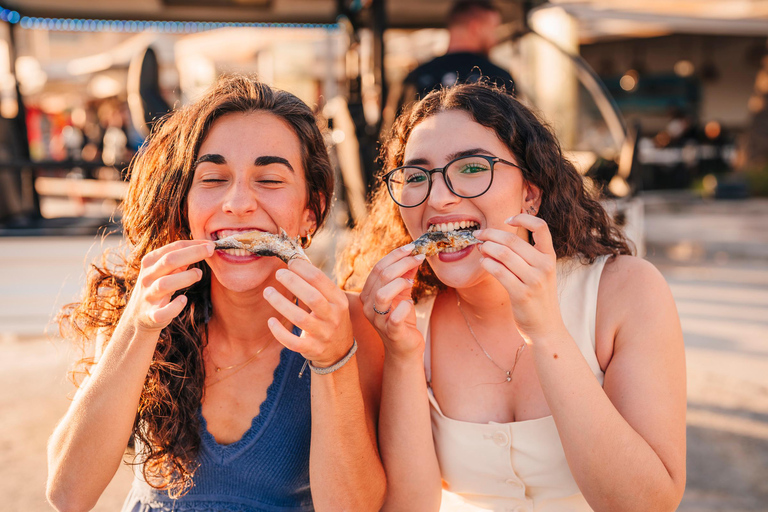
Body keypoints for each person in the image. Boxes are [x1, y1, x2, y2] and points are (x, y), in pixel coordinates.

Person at [338, 82, 686, 511]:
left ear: (530, 194)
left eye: (471, 167)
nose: (439, 198)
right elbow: (410, 506)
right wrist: (402, 354)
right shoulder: (401, 317)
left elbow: (647, 505)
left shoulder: (626, 291)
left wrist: (547, 332)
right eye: (415, 176)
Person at [47, 75, 385, 512]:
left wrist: (331, 361)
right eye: (213, 178)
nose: (238, 203)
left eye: (270, 179)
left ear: (311, 210)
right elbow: (68, 494)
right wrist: (137, 326)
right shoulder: (145, 306)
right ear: (185, 204)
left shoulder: (353, 326)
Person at [390, 0, 515, 123]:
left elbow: (395, 130)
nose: (495, 39)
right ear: (475, 28)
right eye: (494, 30)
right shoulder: (499, 78)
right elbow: (514, 131)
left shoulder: (417, 76)